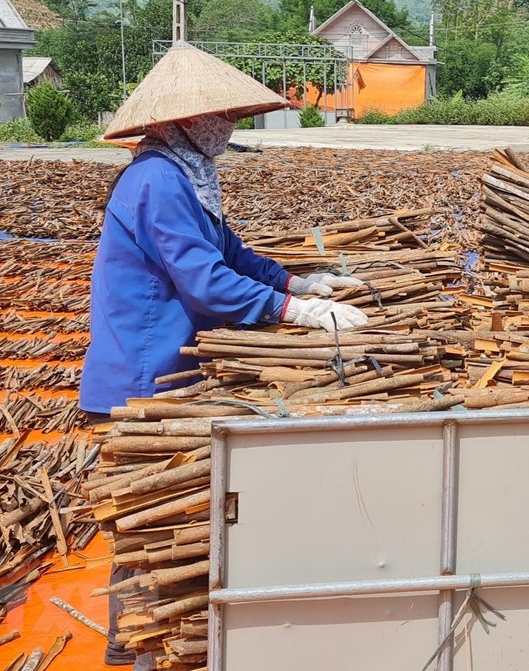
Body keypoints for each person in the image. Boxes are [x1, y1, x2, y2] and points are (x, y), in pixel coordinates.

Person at [80, 42, 369, 668]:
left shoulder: (185, 175)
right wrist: (298, 314)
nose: (230, 127)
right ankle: (133, 650)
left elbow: (231, 255)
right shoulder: (156, 178)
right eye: (223, 116)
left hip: (169, 363)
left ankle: (147, 646)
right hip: (143, 373)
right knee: (145, 523)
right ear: (183, 121)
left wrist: (298, 283)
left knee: (160, 520)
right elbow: (205, 280)